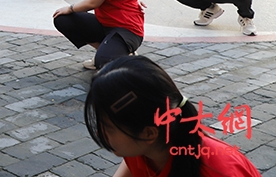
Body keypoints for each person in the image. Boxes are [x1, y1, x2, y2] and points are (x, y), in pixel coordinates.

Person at [85, 55, 261, 177]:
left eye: (108, 127)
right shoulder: (141, 149)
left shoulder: (221, 170)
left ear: (149, 134)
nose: (100, 133)